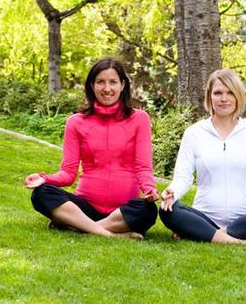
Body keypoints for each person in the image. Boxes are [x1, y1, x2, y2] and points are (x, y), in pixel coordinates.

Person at [25, 58, 159, 239]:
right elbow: (68, 173)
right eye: (101, 82)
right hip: (84, 207)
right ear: (92, 85)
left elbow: (143, 167)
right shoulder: (76, 122)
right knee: (41, 193)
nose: (107, 88)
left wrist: (150, 190)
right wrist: (44, 179)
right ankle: (111, 235)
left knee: (148, 210)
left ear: (123, 85)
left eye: (113, 82)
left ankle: (78, 226)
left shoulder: (140, 119)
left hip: (122, 211)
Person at [159, 69, 246, 246]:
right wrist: (172, 192)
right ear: (209, 96)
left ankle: (203, 234)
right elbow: (183, 177)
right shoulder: (194, 133)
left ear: (238, 96)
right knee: (168, 210)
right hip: (204, 217)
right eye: (218, 93)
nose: (224, 98)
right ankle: (238, 241)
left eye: (230, 92)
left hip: (244, 220)